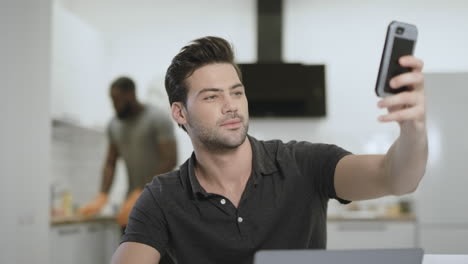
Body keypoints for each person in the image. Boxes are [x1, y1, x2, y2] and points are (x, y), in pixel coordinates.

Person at [111, 37, 428, 264]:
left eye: (237, 92)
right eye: (211, 97)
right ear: (180, 113)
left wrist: (414, 127)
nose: (231, 106)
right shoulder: (162, 197)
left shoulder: (304, 163)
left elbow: (396, 177)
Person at [78, 76, 178, 228]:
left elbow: (170, 159)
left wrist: (144, 192)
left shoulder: (157, 119)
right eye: (112, 100)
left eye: (117, 100)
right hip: (130, 205)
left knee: (160, 250)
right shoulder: (114, 125)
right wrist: (102, 195)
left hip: (160, 202)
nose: (114, 106)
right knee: (128, 249)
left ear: (131, 95)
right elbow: (110, 162)